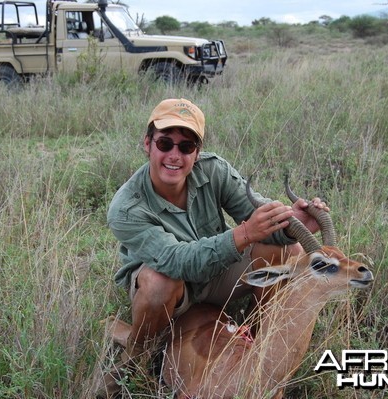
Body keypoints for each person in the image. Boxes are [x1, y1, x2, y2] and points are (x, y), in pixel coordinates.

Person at [101, 98, 327, 397]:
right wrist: (244, 233)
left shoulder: (214, 169)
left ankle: (254, 352)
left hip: (216, 273)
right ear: (147, 144)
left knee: (288, 253)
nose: (174, 155)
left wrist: (291, 226)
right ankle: (135, 362)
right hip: (174, 289)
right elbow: (176, 262)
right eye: (165, 143)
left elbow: (257, 217)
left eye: (186, 147)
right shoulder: (126, 207)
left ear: (197, 152)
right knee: (158, 283)